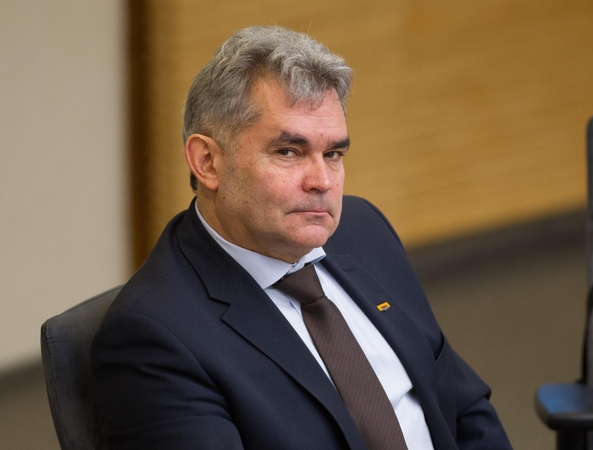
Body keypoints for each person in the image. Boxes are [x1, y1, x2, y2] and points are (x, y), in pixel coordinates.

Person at [91, 25, 512, 450]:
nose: (322, 181)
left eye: (333, 154)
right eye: (288, 152)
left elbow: (462, 408)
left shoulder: (363, 230)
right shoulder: (156, 336)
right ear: (208, 162)